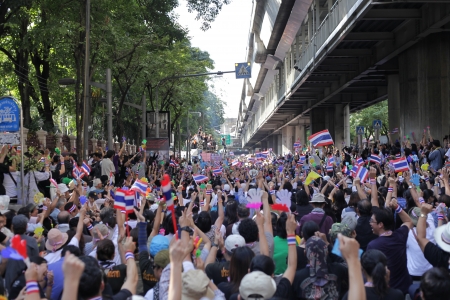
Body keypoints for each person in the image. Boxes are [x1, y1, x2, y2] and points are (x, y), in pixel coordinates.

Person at [366, 200, 413, 295]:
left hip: (387, 291)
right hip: (404, 287)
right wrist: (397, 208)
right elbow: (408, 221)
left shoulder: (373, 245)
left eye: (372, 221)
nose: (370, 223)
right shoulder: (400, 235)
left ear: (380, 224)